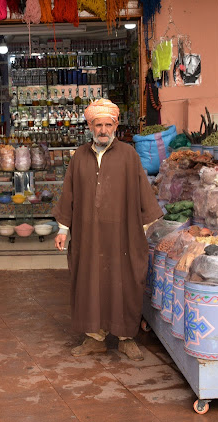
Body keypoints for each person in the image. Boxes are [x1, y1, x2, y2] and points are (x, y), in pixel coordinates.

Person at [53, 99, 162, 361]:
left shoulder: (129, 155)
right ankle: (95, 338)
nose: (103, 129)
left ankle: (126, 338)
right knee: (89, 282)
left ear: (115, 125)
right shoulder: (79, 156)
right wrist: (62, 230)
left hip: (122, 236)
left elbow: (144, 196)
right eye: (98, 124)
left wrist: (141, 229)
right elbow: (68, 194)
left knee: (123, 282)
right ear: (90, 126)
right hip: (88, 235)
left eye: (107, 124)